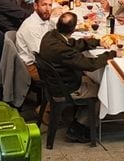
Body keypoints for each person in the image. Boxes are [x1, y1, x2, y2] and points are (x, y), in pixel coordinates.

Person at [35, 10, 118, 142]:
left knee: (91, 80)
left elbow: (72, 45)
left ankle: (79, 118)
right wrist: (112, 54)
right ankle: (80, 127)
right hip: (66, 88)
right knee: (101, 90)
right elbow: (90, 64)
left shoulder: (50, 36)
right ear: (73, 29)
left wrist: (96, 42)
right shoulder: (62, 50)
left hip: (55, 83)